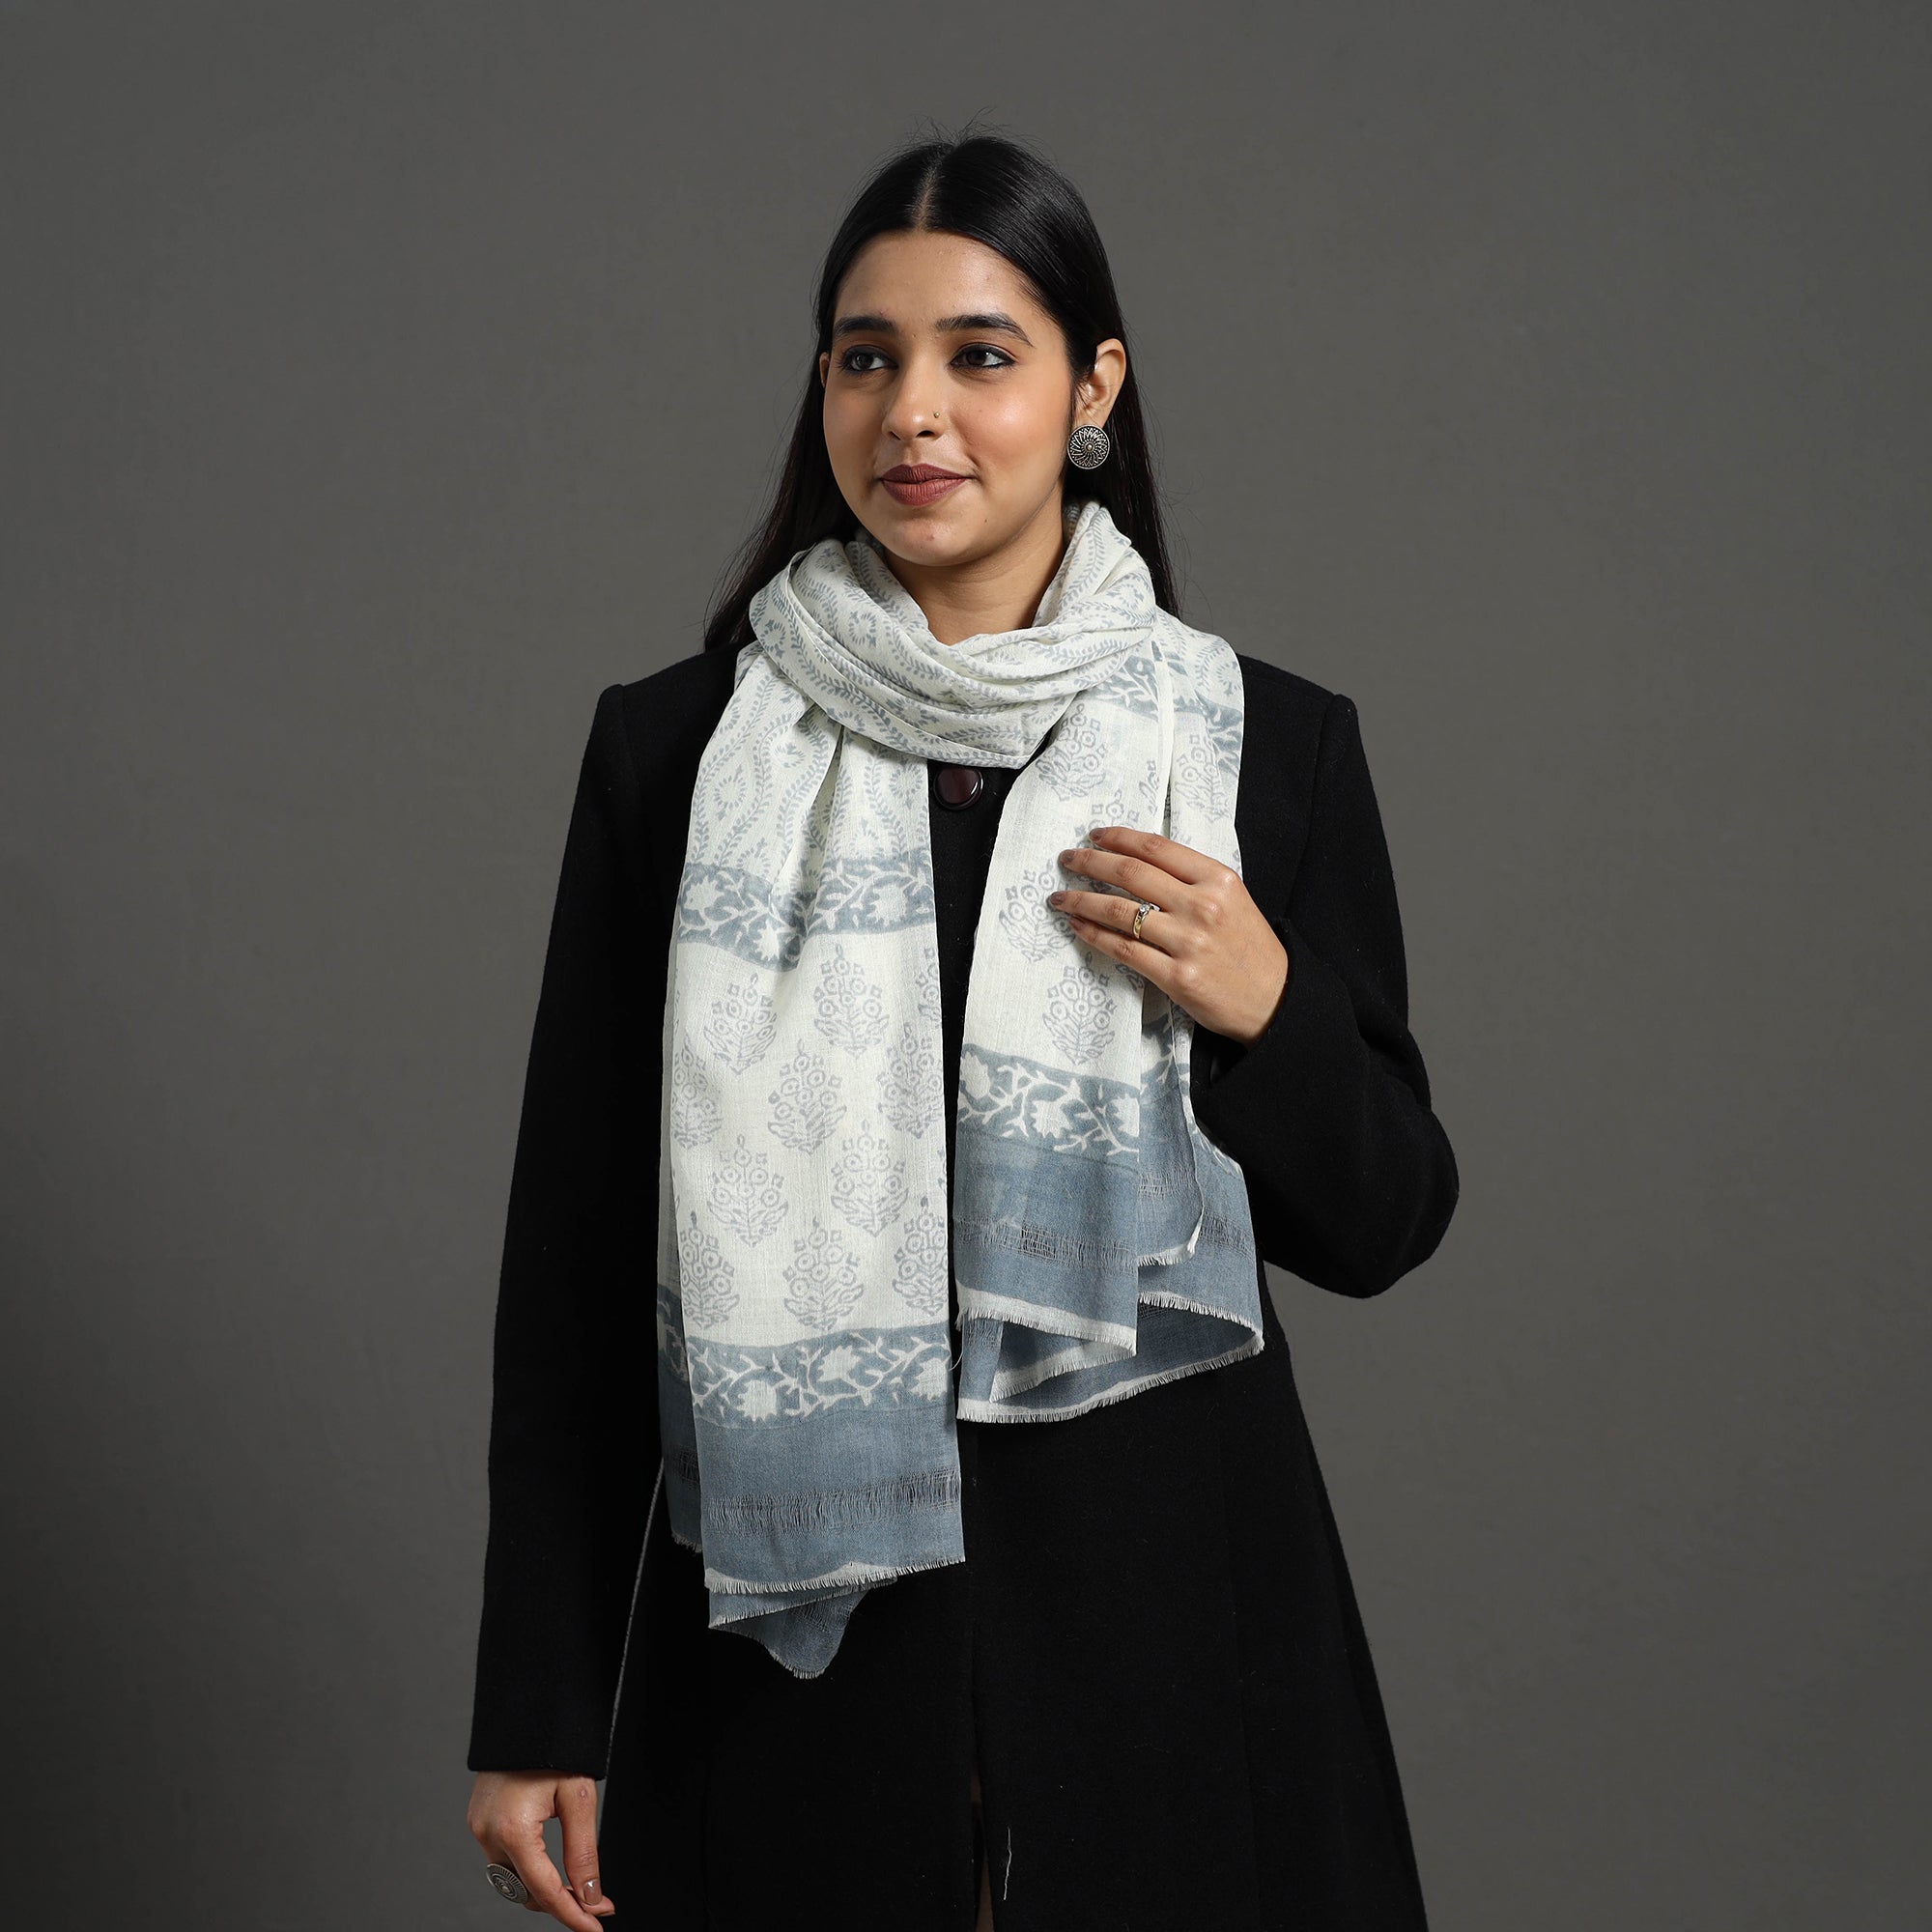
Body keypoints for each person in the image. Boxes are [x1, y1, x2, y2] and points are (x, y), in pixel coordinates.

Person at [464, 128, 1459, 1931]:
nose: (913, 412)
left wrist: (1268, 1007)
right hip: (792, 1667)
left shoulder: (1258, 747)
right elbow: (581, 1260)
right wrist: (540, 1698)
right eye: (868, 357)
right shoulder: (679, 756)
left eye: (979, 355)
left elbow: (1385, 1217)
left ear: (1094, 390)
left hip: (1180, 1642)